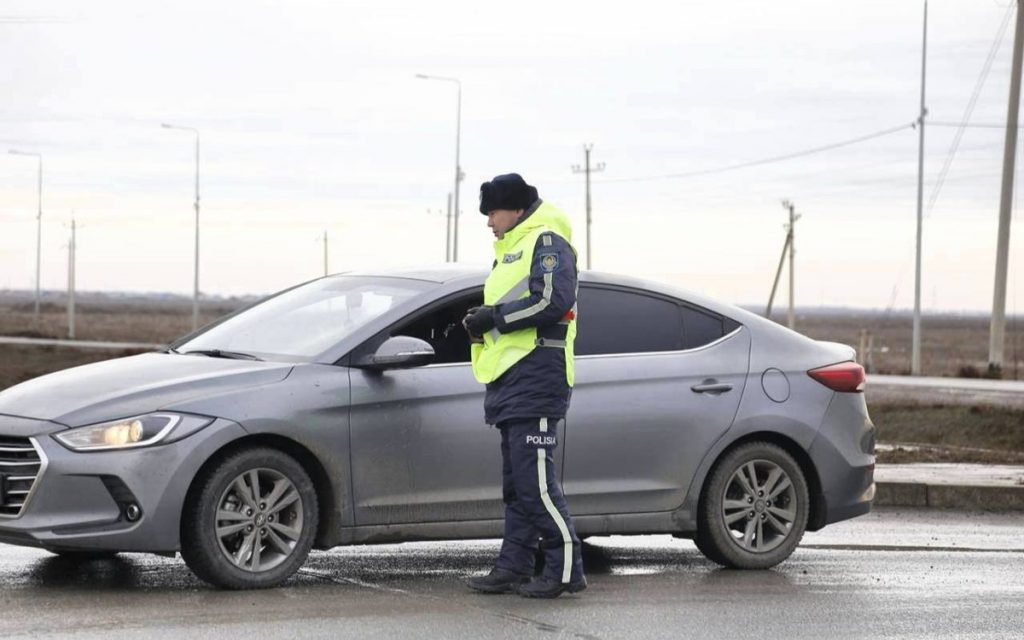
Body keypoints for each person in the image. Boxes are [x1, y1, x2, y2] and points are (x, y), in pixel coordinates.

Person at [462, 173, 586, 599]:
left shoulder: (546, 240)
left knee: (537, 485)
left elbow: (553, 301)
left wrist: (494, 317)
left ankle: (566, 569)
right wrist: (481, 320)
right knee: (517, 485)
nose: (488, 222)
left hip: (538, 373)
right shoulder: (511, 248)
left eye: (492, 212)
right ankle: (513, 566)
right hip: (511, 377)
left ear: (514, 209)